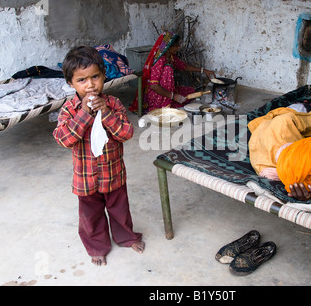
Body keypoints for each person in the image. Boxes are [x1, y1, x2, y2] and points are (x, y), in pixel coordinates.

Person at [53, 46, 144, 266]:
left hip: (113, 173)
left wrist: (106, 113)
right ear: (71, 83)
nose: (91, 85)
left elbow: (126, 133)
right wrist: (85, 113)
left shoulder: (113, 104)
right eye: (81, 80)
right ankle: (97, 246)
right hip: (85, 179)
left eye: (95, 77)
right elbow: (64, 139)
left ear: (104, 76)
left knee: (120, 210)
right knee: (90, 216)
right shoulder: (69, 109)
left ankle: (126, 237)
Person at [248, 105, 311, 201]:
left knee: (310, 122)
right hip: (292, 115)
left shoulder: (265, 168)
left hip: (287, 121)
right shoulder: (286, 120)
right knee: (306, 115)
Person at [129, 31, 216, 113]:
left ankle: (170, 99)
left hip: (168, 92)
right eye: (176, 45)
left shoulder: (170, 57)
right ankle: (165, 103)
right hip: (157, 96)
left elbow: (184, 66)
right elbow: (154, 86)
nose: (179, 47)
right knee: (168, 70)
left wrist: (204, 70)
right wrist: (173, 96)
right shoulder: (160, 60)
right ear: (168, 46)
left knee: (191, 91)